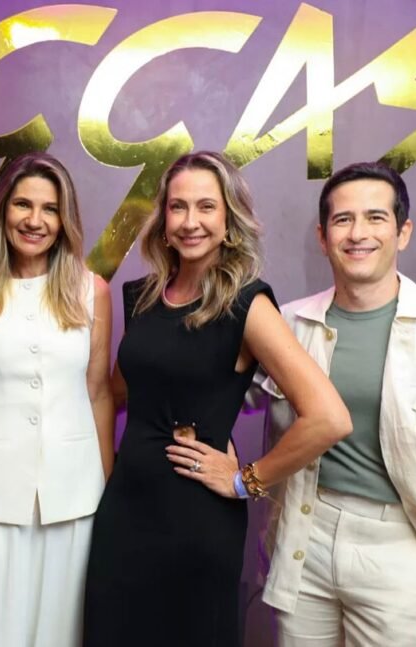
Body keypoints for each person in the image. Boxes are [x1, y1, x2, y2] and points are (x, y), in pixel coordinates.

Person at [82, 151, 351, 646]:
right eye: (178, 207)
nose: (191, 221)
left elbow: (329, 418)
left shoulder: (247, 303)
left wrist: (247, 479)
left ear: (229, 221)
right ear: (163, 220)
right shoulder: (143, 297)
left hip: (195, 521)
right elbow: (116, 392)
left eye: (206, 206)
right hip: (124, 507)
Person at [258, 162, 416, 646]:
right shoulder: (288, 323)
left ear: (403, 232)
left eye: (376, 218)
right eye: (343, 219)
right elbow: (223, 390)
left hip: (401, 549)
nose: (358, 233)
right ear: (323, 236)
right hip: (304, 538)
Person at [0, 152, 113, 647]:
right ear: (2, 211)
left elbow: (98, 393)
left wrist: (108, 491)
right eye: (23, 205)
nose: (35, 220)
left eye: (49, 209)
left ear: (64, 219)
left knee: (64, 635)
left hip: (75, 496)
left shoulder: (92, 291)